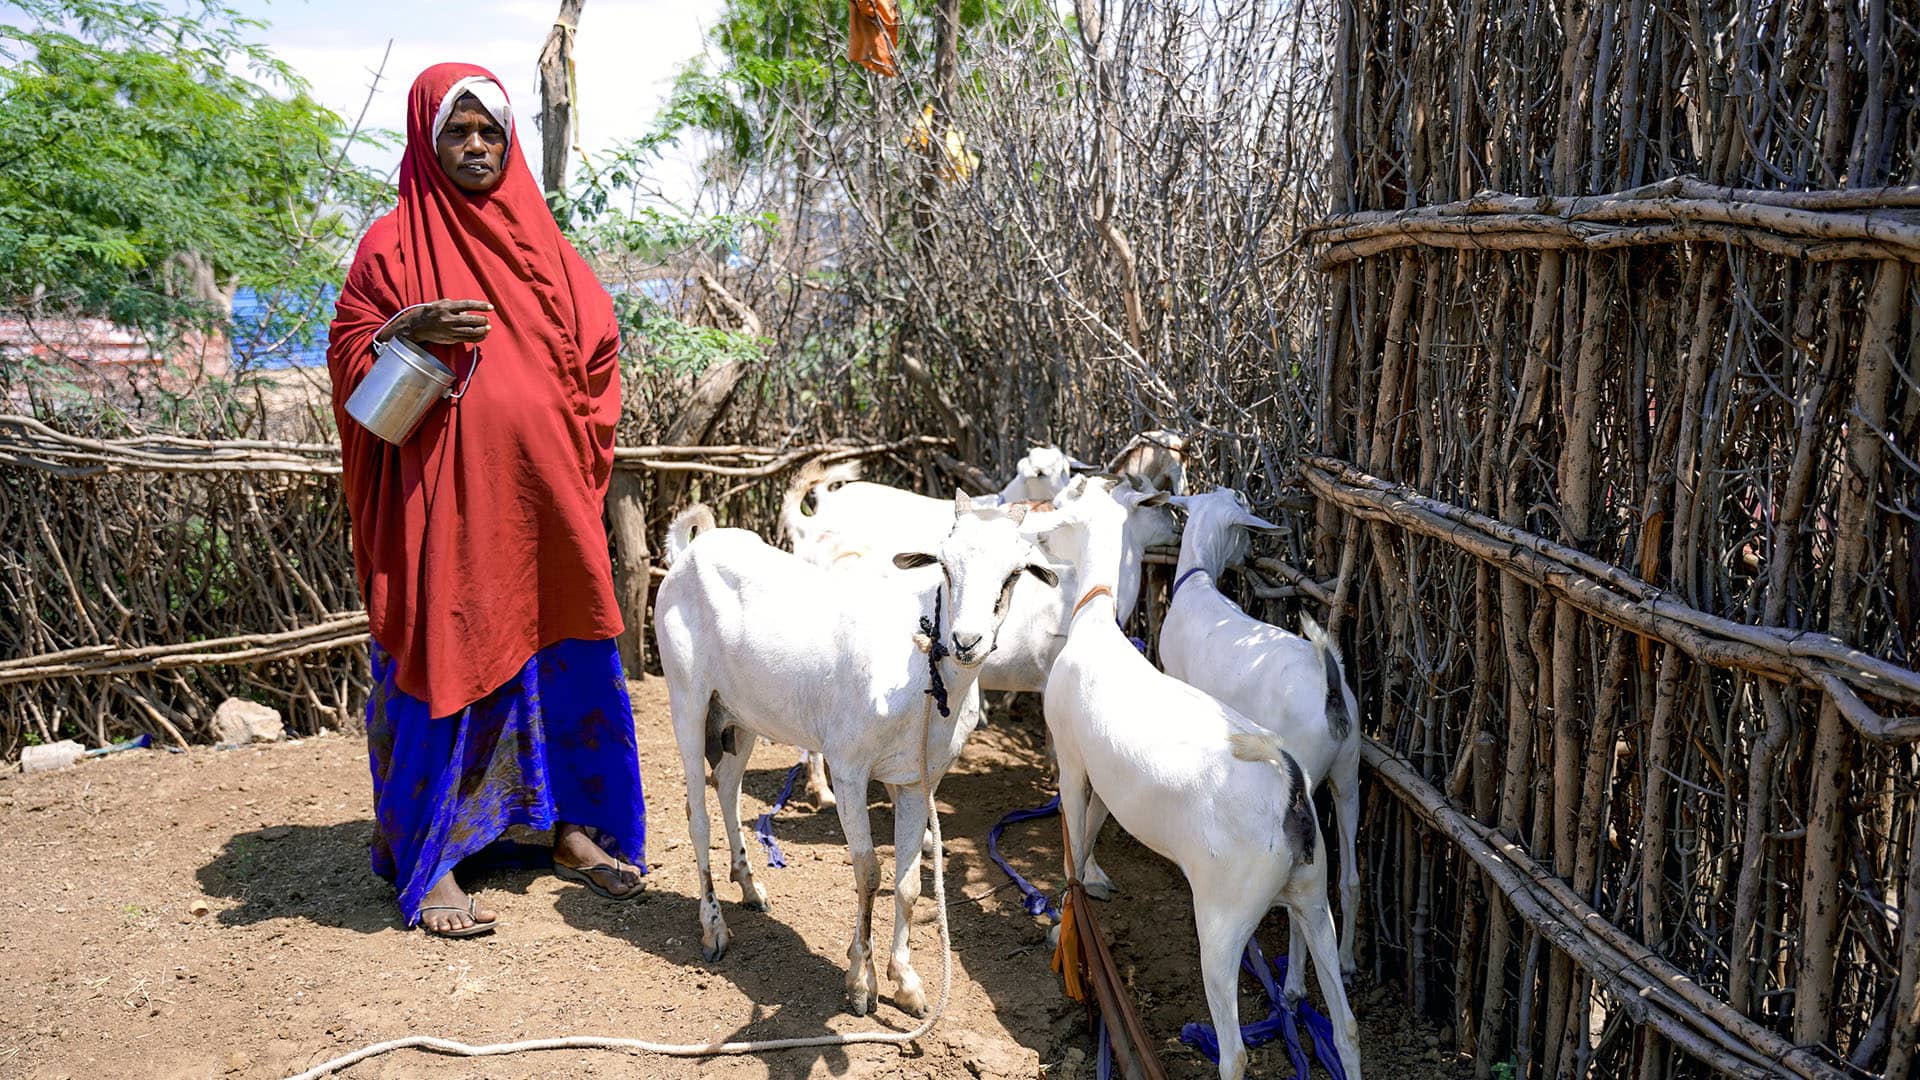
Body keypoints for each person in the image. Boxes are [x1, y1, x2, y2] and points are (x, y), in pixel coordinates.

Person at [326, 63, 646, 938]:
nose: (475, 146)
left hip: (544, 506)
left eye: (490, 133)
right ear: (427, 143)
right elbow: (355, 359)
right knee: (451, 651)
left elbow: (598, 345)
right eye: (457, 133)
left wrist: (567, 423)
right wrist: (402, 330)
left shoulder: (546, 245)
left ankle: (574, 835)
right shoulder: (391, 246)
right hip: (447, 509)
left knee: (567, 658)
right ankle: (435, 860)